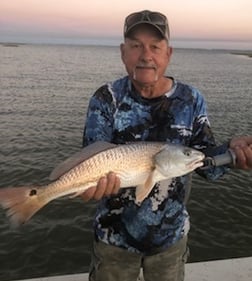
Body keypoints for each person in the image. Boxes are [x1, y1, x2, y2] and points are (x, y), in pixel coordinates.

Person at [81, 10, 252, 281]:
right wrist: (89, 187)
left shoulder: (191, 99)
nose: (146, 55)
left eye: (155, 46)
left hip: (170, 241)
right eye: (136, 46)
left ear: (168, 53)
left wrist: (232, 151)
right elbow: (91, 161)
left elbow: (205, 163)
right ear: (123, 52)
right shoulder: (106, 99)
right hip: (112, 239)